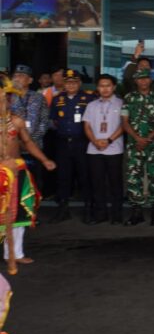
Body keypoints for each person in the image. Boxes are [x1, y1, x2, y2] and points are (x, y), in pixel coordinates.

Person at [1, 77, 56, 265]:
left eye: (5, 98)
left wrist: (44, 159)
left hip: (17, 170)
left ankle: (15, 253)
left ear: (9, 100)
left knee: (18, 212)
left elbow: (28, 143)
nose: (3, 101)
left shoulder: (16, 121)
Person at [49, 69, 95, 224]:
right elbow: (53, 121)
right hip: (63, 142)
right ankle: (63, 208)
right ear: (64, 83)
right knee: (63, 176)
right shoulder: (57, 99)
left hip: (82, 142)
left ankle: (88, 209)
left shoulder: (88, 98)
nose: (71, 85)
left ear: (79, 83)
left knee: (84, 175)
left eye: (74, 82)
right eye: (68, 82)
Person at [121, 68, 154, 226]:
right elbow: (124, 122)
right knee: (134, 178)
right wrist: (137, 138)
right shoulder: (129, 98)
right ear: (136, 81)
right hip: (134, 144)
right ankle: (136, 212)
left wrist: (147, 138)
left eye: (146, 78)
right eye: (140, 78)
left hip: (153, 145)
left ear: (150, 80)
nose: (143, 81)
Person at [83, 74, 124, 224]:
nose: (105, 89)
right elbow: (86, 126)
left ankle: (117, 214)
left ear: (113, 87)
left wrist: (109, 140)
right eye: (101, 85)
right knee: (97, 183)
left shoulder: (122, 104)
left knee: (115, 183)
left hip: (114, 149)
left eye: (108, 85)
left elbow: (124, 126)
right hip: (94, 150)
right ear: (97, 88)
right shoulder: (91, 105)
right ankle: (100, 214)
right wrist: (95, 141)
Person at [10, 65, 49, 193]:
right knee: (14, 182)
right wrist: (19, 142)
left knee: (34, 182)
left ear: (30, 80)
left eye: (21, 76)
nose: (17, 79)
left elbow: (44, 122)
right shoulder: (7, 98)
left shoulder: (39, 98)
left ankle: (33, 210)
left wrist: (30, 141)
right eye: (15, 76)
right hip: (13, 149)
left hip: (35, 147)